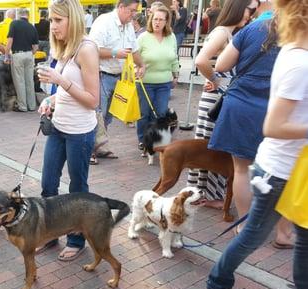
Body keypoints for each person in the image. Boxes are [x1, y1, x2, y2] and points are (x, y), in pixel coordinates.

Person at [206, 0, 308, 289]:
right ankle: (218, 279)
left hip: (288, 162)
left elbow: (220, 64)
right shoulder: (298, 62)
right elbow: (273, 125)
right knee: (254, 231)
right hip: (279, 165)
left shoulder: (291, 52)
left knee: (301, 233)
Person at [208, 9, 294, 246]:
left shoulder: (252, 29)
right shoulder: (299, 34)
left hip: (241, 105)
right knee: (284, 172)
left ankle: (244, 226)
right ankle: (283, 233)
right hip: (279, 111)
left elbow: (222, 64)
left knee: (242, 169)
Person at [36, 0, 99, 261]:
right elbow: (64, 91)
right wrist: (49, 100)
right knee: (48, 183)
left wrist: (61, 81)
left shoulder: (86, 49)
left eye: (57, 20)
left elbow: (93, 100)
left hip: (80, 132)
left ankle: (76, 239)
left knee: (77, 188)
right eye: (51, 20)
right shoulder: (62, 48)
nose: (52, 26)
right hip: (59, 126)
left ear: (72, 19)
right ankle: (51, 234)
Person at [189, 0, 256, 209]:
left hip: (220, 98)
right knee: (211, 147)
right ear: (238, 7)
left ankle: (205, 193)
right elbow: (200, 60)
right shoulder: (223, 31)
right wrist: (217, 81)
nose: (251, 14)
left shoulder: (231, 32)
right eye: (249, 9)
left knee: (212, 146)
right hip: (216, 99)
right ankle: (204, 194)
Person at [89, 0, 145, 161]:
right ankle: (89, 151)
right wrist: (115, 52)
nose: (134, 15)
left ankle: (99, 147)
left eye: (136, 11)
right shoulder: (104, 22)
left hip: (119, 77)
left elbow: (133, 50)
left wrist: (142, 65)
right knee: (98, 114)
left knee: (107, 116)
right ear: (121, 7)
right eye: (132, 11)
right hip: (102, 75)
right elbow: (92, 48)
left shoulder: (128, 26)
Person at [136, 5, 179, 148]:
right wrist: (137, 68)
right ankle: (143, 140)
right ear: (150, 19)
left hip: (164, 82)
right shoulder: (143, 37)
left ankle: (157, 140)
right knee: (144, 113)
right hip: (145, 82)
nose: (157, 22)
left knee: (160, 113)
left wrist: (175, 75)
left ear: (167, 22)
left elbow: (174, 58)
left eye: (161, 20)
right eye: (155, 19)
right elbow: (133, 57)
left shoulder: (171, 37)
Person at [5, 8, 39, 113]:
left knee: (19, 81)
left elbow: (10, 41)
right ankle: (32, 105)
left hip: (18, 54)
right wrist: (29, 53)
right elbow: (36, 47)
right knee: (29, 81)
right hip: (29, 54)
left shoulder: (14, 24)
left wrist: (7, 55)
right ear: (27, 16)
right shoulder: (32, 27)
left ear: (18, 15)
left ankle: (22, 106)